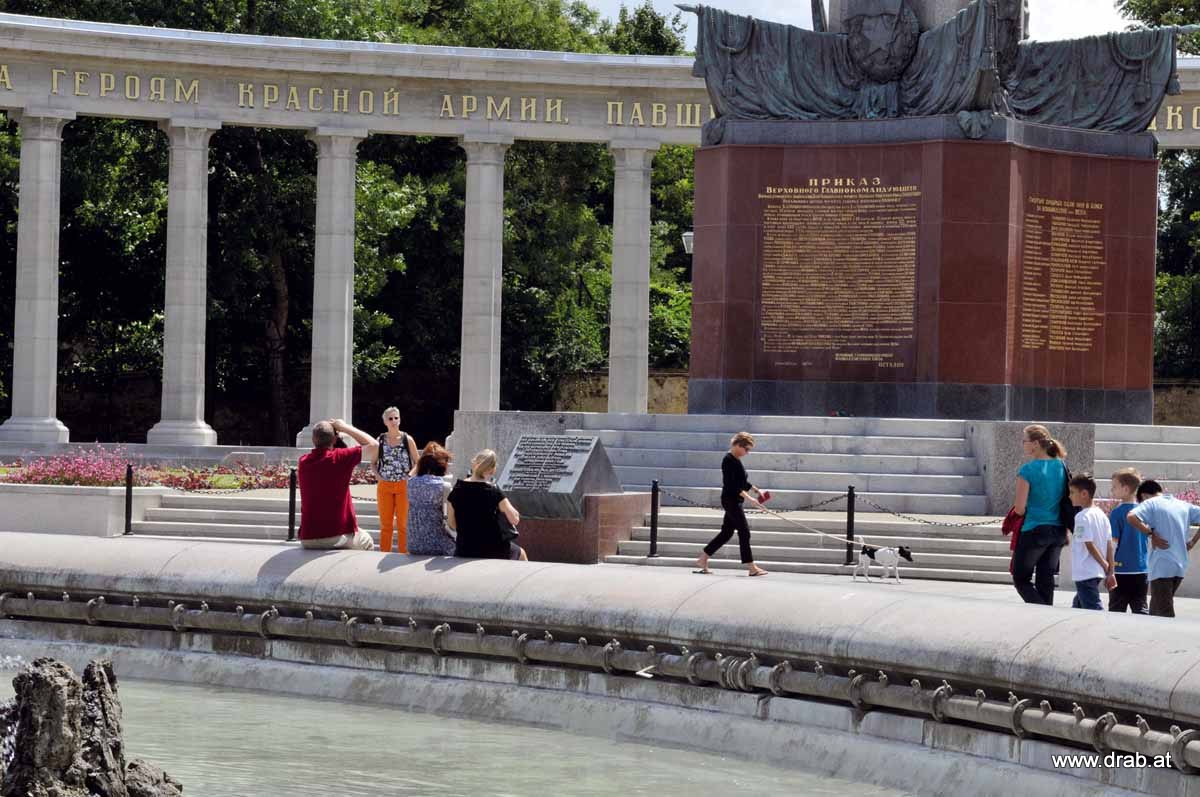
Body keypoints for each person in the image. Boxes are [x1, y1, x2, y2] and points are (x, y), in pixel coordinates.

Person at [694, 432, 768, 578]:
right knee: (744, 532)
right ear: (738, 445)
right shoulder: (728, 460)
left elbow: (742, 481)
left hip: (735, 500)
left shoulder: (736, 459)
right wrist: (750, 499)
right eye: (746, 449)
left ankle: (702, 559)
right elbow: (732, 485)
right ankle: (751, 567)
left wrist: (756, 490)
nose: (747, 453)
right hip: (731, 500)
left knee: (726, 533)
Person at [297, 418, 377, 550]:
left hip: (308, 537)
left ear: (313, 439)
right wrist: (345, 427)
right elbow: (375, 446)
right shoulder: (341, 457)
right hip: (337, 536)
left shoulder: (303, 461)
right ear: (334, 439)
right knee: (367, 540)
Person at [1011, 424, 1068, 605]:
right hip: (1058, 531)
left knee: (1021, 579)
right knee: (1046, 579)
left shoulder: (1028, 470)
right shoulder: (1061, 465)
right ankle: (1046, 615)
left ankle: (1043, 611)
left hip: (1034, 529)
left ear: (1035, 443)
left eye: (1024, 441)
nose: (1023, 444)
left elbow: (1019, 509)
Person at [1127, 480, 1200, 618]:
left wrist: (1150, 534)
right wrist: (1192, 542)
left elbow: (1131, 516)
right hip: (1179, 566)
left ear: (1144, 496)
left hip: (1161, 566)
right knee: (1156, 611)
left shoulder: (1151, 503)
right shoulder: (1183, 505)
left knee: (1164, 614)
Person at [446, 450, 527, 561]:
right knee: (521, 553)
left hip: (464, 548)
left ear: (474, 463)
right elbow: (514, 519)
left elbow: (451, 524)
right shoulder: (493, 490)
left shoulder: (457, 489)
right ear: (492, 470)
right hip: (493, 549)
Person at [374, 406, 419, 554]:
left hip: (403, 486)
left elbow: (418, 462)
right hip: (384, 486)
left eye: (396, 418)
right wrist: (378, 476)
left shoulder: (407, 439)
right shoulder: (380, 440)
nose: (394, 421)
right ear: (385, 422)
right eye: (390, 418)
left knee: (403, 524)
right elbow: (373, 463)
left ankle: (403, 553)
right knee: (386, 525)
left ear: (400, 419)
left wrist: (409, 476)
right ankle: (384, 552)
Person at [1067, 475, 1113, 611]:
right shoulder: (1102, 515)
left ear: (1084, 494)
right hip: (1095, 572)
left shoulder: (1082, 517)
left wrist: (1104, 564)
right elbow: (1109, 545)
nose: (1070, 496)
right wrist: (1110, 570)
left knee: (1093, 608)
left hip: (1085, 571)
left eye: (1072, 492)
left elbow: (1089, 544)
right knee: (1078, 605)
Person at [405, 442, 457, 557]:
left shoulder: (410, 483)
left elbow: (412, 474)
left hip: (413, 544)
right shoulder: (444, 486)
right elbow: (451, 522)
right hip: (437, 544)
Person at [1108, 468, 1149, 614]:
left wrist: (1109, 569)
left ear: (1125, 489)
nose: (1112, 490)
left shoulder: (1116, 513)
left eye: (1114, 487)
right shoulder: (1144, 511)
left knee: (1116, 609)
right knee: (1141, 608)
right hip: (1141, 569)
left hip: (1121, 570)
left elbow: (1113, 543)